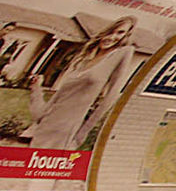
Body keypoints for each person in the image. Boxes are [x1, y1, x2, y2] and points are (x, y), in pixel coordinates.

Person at [25, 16, 138, 150]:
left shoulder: (123, 53)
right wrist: (36, 88)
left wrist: (82, 133)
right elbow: (40, 114)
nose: (112, 36)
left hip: (67, 135)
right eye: (110, 31)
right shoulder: (83, 61)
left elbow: (110, 98)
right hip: (44, 130)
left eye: (120, 32)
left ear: (127, 35)